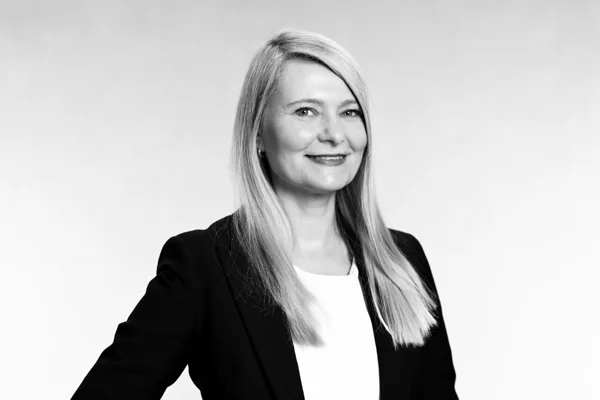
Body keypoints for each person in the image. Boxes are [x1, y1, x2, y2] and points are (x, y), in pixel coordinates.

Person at [71, 29, 459, 400]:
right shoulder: (203, 267)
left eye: (349, 112)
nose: (334, 134)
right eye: (306, 111)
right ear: (258, 132)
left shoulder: (402, 260)